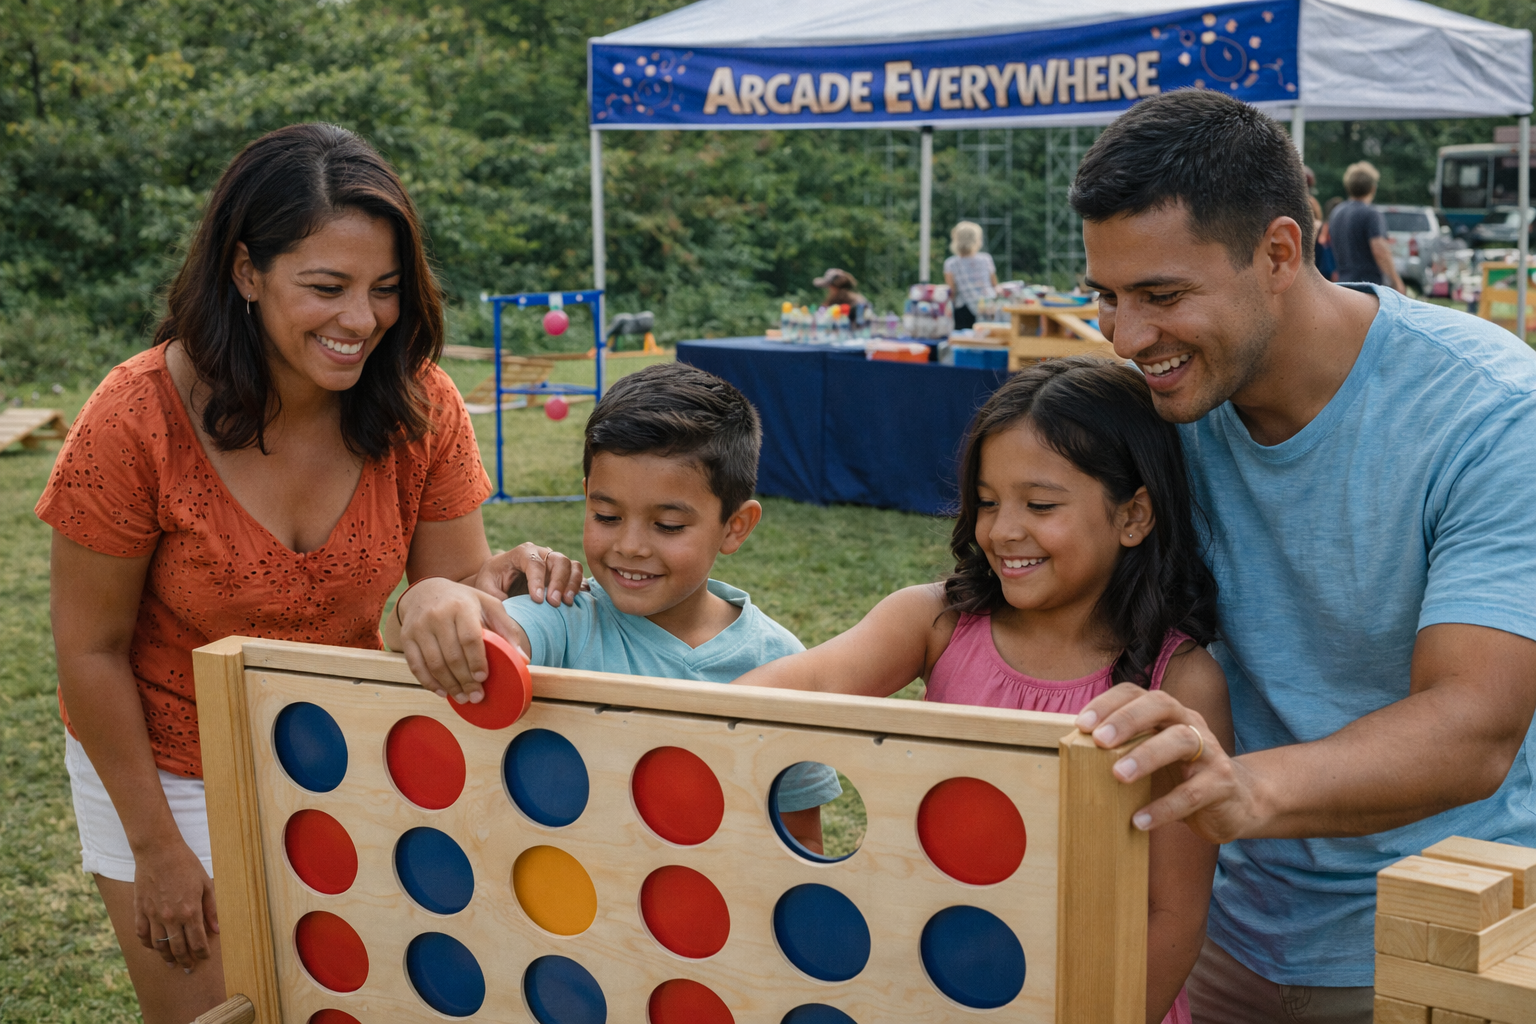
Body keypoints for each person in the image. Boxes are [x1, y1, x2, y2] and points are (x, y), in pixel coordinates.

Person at [35, 123, 583, 1024]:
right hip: (165, 766)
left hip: (340, 754)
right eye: (325, 288)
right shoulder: (132, 419)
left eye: (385, 290)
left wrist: (487, 590)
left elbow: (447, 596)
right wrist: (157, 851)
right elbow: (88, 652)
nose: (361, 320)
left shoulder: (419, 401)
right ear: (246, 272)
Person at [1069, 89, 1536, 1023]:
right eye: (1107, 298)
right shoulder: (1161, 408)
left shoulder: (1491, 415)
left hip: (1431, 943)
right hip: (1211, 925)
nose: (1127, 339)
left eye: (1162, 296)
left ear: (1281, 252)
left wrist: (1248, 787)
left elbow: (1473, 724)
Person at [739, 356, 1231, 1024]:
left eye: (1041, 504)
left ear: (1134, 515)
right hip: (933, 990)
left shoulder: (1179, 681)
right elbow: (801, 685)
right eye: (989, 501)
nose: (1003, 530)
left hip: (1093, 1001)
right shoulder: (934, 621)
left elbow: (1172, 913)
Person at [389, 362, 844, 852]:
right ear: (586, 497)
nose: (629, 546)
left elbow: (799, 836)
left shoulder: (783, 661)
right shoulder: (564, 614)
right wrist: (430, 597)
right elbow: (479, 637)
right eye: (606, 515)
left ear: (736, 526)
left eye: (668, 525)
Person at [1327, 160, 1405, 292]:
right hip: (1367, 286)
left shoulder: (1336, 213)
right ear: (1372, 188)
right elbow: (1379, 249)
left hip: (1342, 285)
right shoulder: (1371, 213)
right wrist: (1396, 281)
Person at [943, 221, 999, 330]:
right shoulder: (986, 259)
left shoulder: (950, 263)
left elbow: (952, 292)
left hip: (965, 310)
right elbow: (994, 284)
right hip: (987, 307)